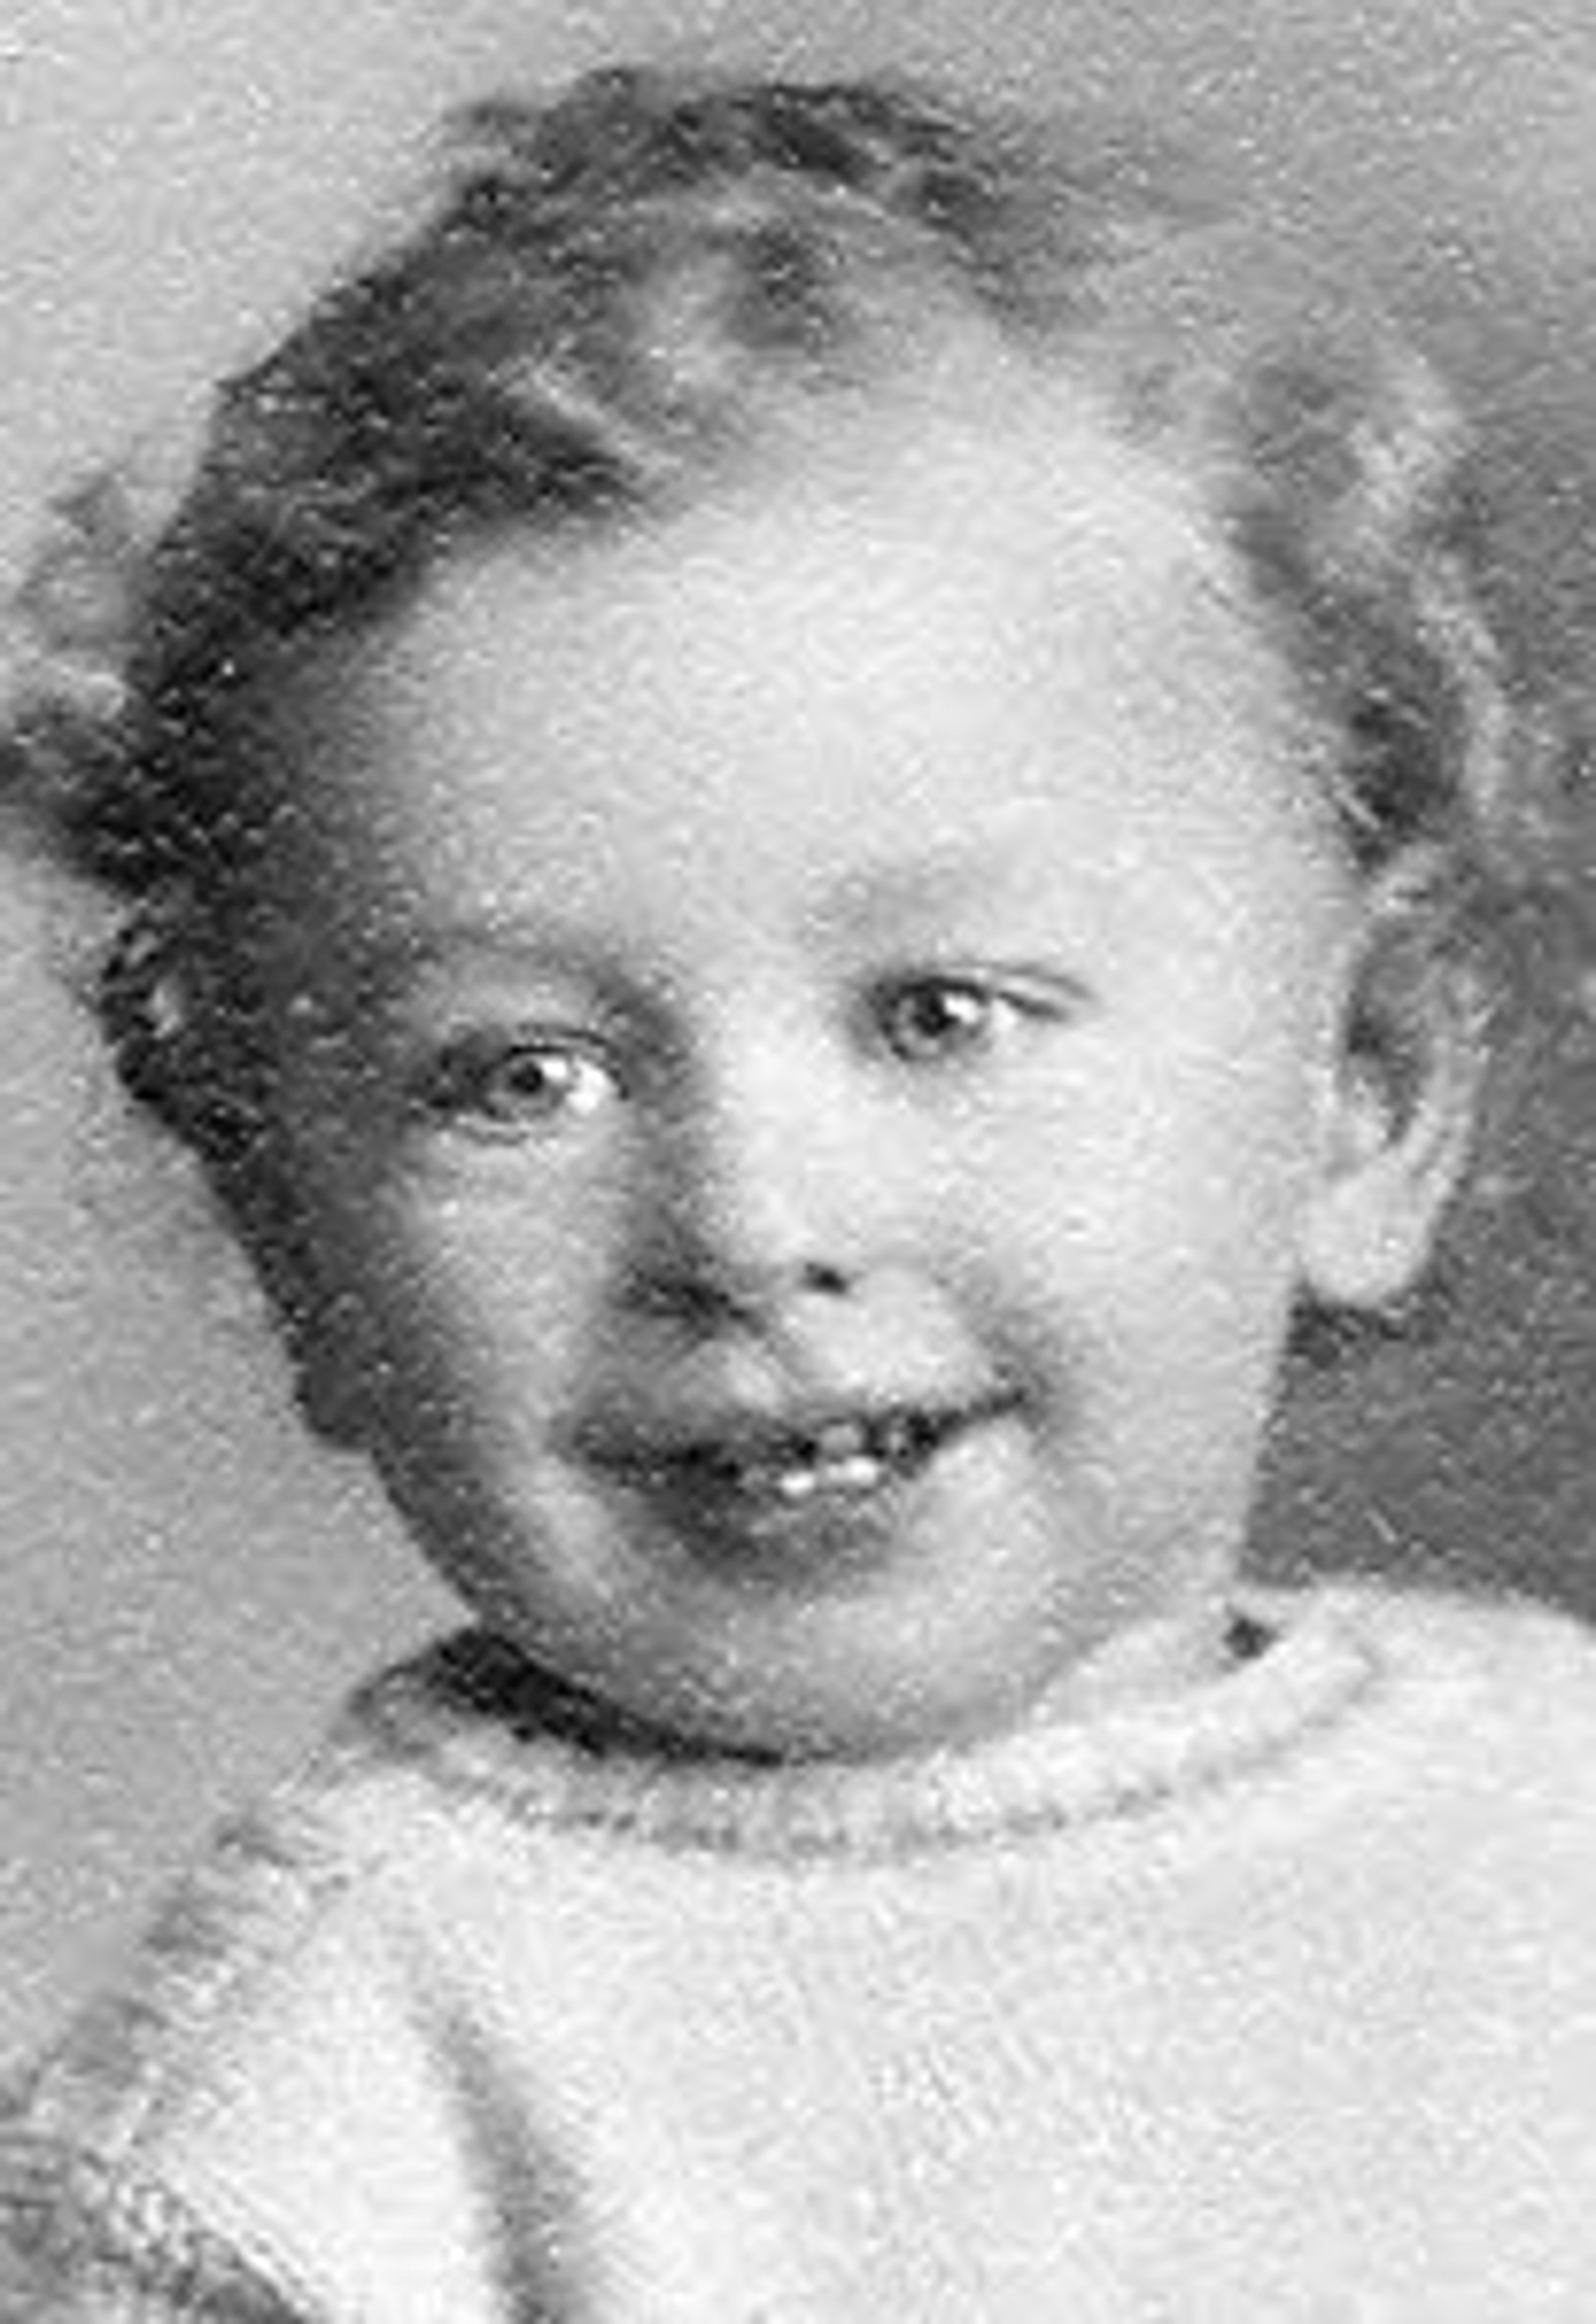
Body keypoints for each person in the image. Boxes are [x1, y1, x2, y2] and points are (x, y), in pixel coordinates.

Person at [0, 58, 1593, 2321]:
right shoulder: (324, 2117)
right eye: (518, 1078)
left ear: (1366, 1090)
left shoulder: (1551, 1811)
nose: (747, 1228)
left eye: (939, 1014)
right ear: (296, 1250)